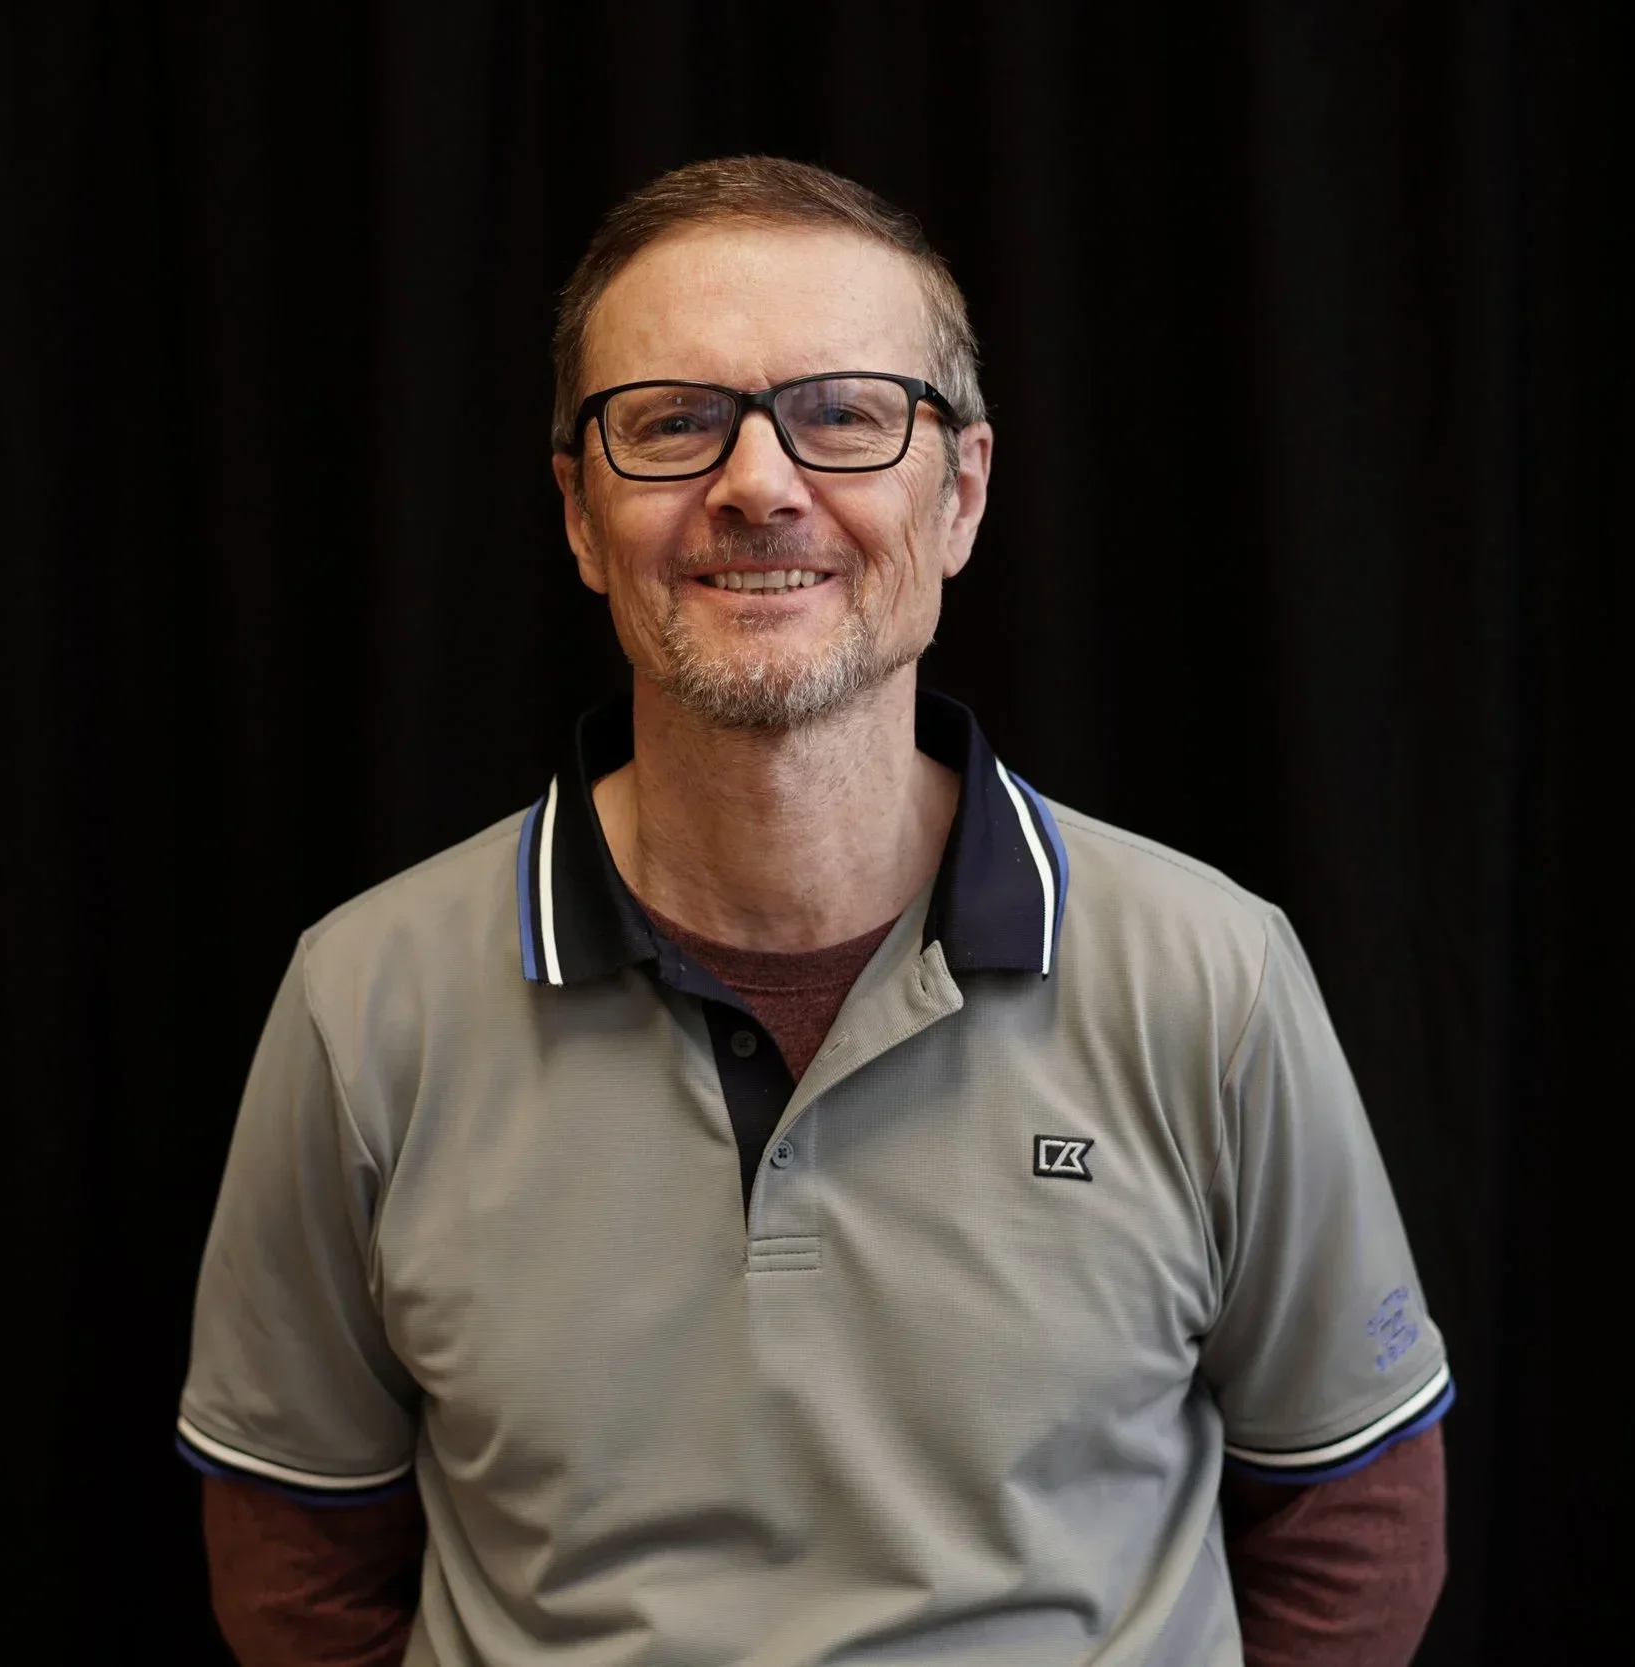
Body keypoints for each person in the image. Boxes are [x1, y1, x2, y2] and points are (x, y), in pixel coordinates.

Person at [177, 157, 1452, 1667]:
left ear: (960, 493)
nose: (760, 484)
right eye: (672, 422)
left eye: (845, 414)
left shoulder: (1212, 978)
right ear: (578, 513)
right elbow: (297, 1567)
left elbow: (1357, 1525)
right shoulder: (365, 1002)